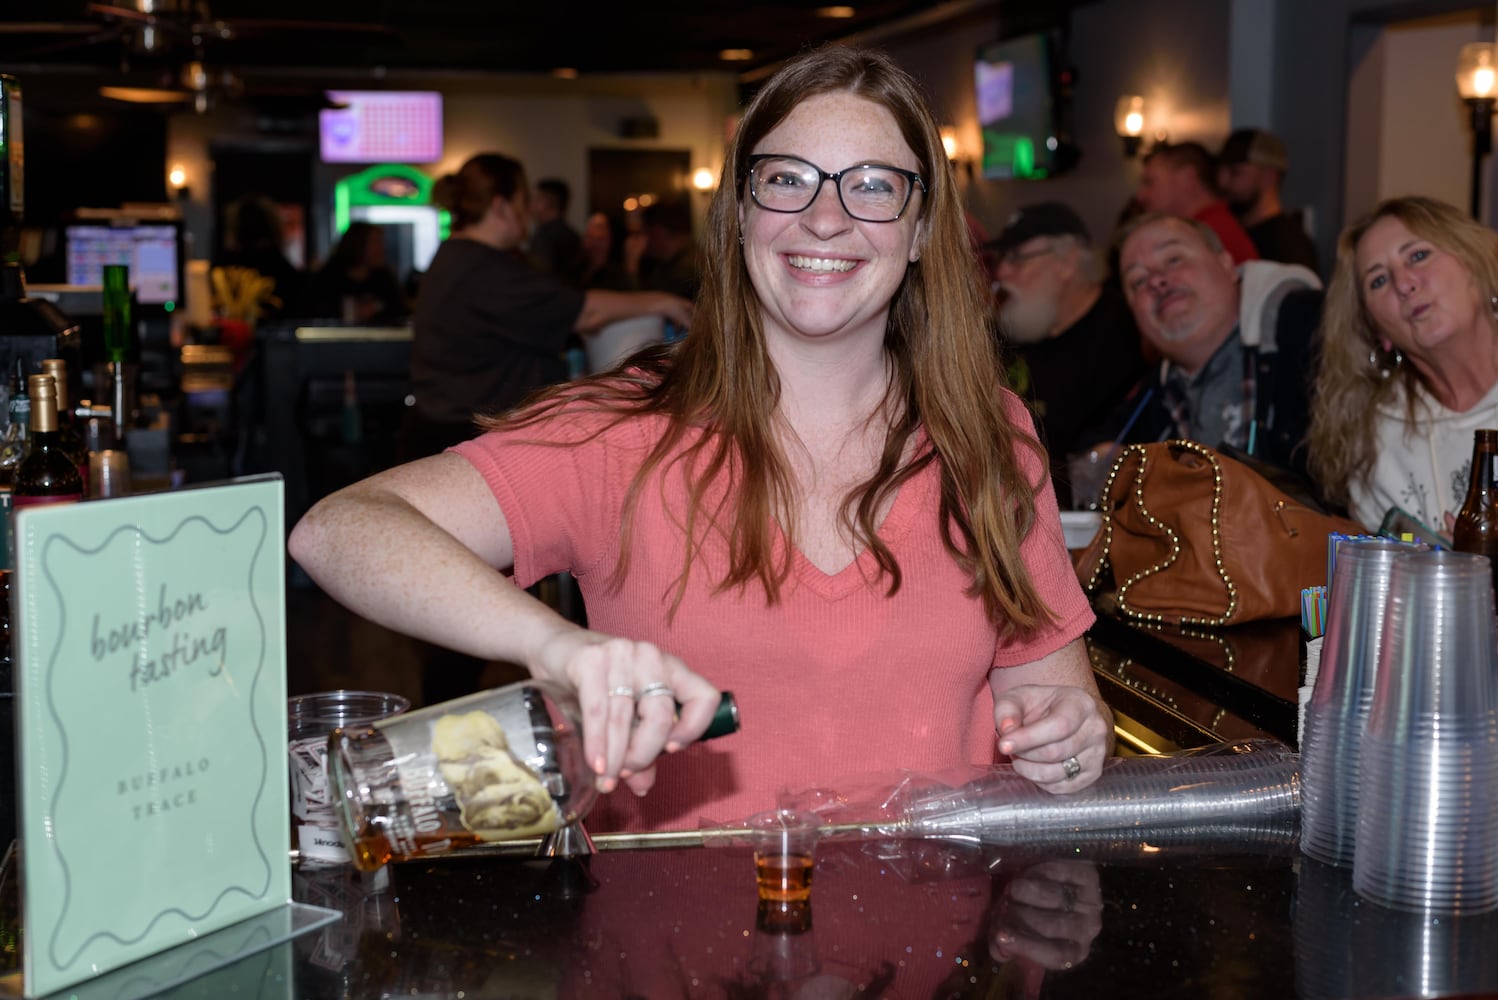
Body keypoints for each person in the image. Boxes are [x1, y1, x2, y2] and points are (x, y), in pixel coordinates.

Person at [289, 46, 1113, 834]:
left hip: (945, 963)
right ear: (742, 212)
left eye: (871, 186)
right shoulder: (621, 430)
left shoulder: (989, 433)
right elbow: (337, 530)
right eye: (787, 179)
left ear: (924, 227)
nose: (825, 219)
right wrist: (556, 646)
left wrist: (1072, 738)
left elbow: (1052, 698)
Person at [397, 152, 694, 462]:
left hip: (442, 431)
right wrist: (663, 301)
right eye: (523, 202)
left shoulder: (455, 256)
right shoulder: (484, 268)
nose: (527, 216)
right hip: (464, 440)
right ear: (501, 207)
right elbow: (584, 312)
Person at [1306, 196, 1498, 532]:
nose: (1404, 284)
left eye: (1419, 256)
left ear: (1474, 262)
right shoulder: (1376, 442)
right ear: (1378, 332)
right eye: (1378, 280)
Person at [1110, 213, 1323, 482]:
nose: (1156, 281)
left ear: (1226, 263)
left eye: (1174, 259)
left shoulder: (1312, 330)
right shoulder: (1153, 397)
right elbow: (1094, 451)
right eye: (1138, 281)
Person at [989, 201, 1145, 507]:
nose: (1003, 272)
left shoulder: (1126, 336)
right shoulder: (1005, 333)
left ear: (1068, 262)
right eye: (1002, 258)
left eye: (1018, 258)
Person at [1136, 142, 1259, 266]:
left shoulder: (1209, 234)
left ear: (1187, 177)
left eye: (1149, 182)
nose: (1141, 195)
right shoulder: (1211, 227)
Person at [1218, 128, 1320, 274]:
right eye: (1220, 172)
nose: (1223, 182)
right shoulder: (1231, 231)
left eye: (1236, 172)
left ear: (1269, 176)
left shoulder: (1289, 243)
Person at [302, 221, 408, 323]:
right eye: (375, 243)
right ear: (357, 244)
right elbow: (312, 314)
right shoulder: (328, 279)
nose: (382, 249)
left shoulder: (384, 280)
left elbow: (400, 314)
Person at [637, 199, 701, 300]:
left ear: (658, 231)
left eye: (645, 232)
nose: (642, 239)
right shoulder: (691, 257)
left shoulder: (685, 271)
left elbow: (650, 306)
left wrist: (631, 268)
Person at [526, 177, 585, 280]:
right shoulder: (573, 235)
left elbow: (540, 279)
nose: (532, 204)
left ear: (550, 202)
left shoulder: (544, 237)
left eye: (537, 199)